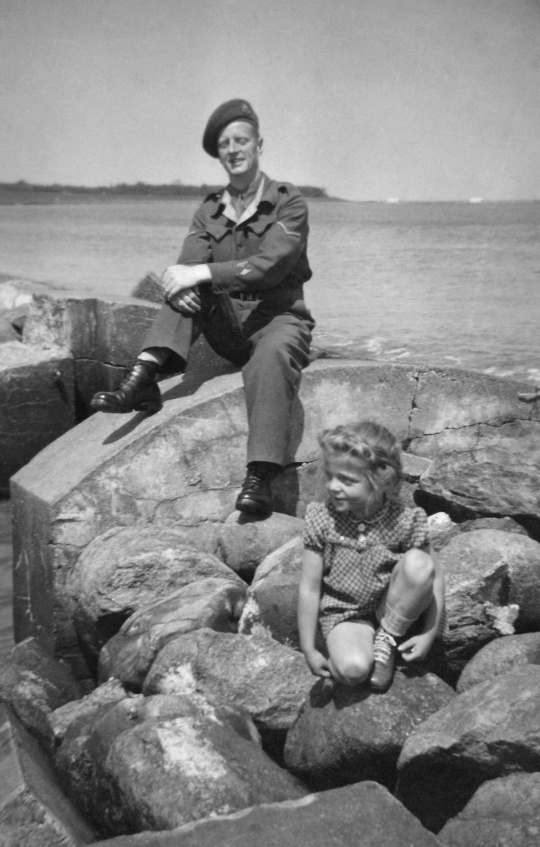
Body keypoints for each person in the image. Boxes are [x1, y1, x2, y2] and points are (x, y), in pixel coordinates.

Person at [91, 99, 315, 516]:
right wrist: (181, 283)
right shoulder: (208, 209)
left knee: (269, 352)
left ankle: (261, 476)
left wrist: (201, 274)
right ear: (219, 153)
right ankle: (144, 377)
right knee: (183, 285)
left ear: (259, 144)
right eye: (225, 144)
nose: (233, 150)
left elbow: (269, 266)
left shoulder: (290, 202)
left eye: (241, 140)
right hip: (230, 329)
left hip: (279, 322)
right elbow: (187, 265)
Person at [298, 420, 445, 692]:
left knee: (420, 564)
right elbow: (309, 587)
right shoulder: (322, 517)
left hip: (390, 604)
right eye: (330, 475)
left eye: (347, 480)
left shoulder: (405, 519)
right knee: (352, 671)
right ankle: (356, 641)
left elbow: (433, 578)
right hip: (345, 613)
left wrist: (429, 633)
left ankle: (387, 636)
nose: (333, 486)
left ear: (380, 480)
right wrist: (308, 648)